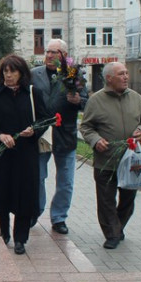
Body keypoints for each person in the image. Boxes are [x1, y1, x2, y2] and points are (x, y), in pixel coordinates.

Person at [0, 54, 49, 255]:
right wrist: (0, 135)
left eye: (13, 71)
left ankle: (20, 238)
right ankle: (4, 231)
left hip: (26, 154)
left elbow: (45, 120)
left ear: (22, 73)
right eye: (5, 71)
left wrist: (34, 130)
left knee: (24, 194)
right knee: (2, 192)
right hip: (2, 154)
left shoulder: (32, 94)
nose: (8, 75)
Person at [80, 62, 141, 249]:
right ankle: (112, 234)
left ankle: (118, 226)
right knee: (106, 200)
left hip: (131, 160)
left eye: (127, 73)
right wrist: (96, 140)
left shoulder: (136, 98)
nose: (126, 77)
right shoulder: (95, 100)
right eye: (121, 74)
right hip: (106, 160)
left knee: (128, 198)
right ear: (109, 78)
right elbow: (86, 127)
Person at [31, 39, 88, 235]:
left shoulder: (74, 74)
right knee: (37, 177)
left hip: (65, 134)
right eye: (47, 52)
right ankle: (35, 212)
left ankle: (59, 217)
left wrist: (78, 99)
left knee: (66, 180)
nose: (49, 56)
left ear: (64, 55)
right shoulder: (34, 74)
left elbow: (86, 101)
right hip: (41, 134)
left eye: (54, 52)